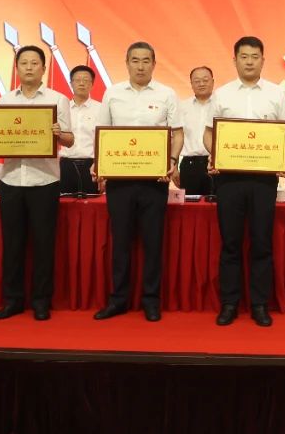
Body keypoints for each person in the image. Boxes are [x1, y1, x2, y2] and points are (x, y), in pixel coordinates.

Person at [204, 36, 285, 327]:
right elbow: (208, 134)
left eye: (255, 56)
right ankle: (229, 303)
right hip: (229, 180)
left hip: (264, 180)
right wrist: (215, 154)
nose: (250, 62)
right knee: (230, 243)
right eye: (244, 56)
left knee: (262, 243)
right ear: (235, 60)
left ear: (263, 60)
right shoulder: (222, 94)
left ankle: (259, 304)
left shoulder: (277, 93)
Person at [0, 45, 73, 321]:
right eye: (24, 63)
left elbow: (70, 140)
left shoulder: (58, 99)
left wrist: (58, 133)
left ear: (43, 68)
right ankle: (13, 300)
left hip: (45, 180)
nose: (29, 67)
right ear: (17, 68)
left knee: (44, 245)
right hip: (11, 179)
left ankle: (41, 301)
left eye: (35, 63)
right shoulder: (4, 101)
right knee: (12, 244)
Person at [92, 42, 183, 323]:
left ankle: (151, 301)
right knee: (120, 242)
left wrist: (172, 160)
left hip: (154, 180)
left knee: (153, 243)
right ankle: (118, 300)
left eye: (146, 61)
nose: (140, 66)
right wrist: (99, 163)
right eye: (135, 60)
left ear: (154, 64)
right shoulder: (112, 93)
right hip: (120, 180)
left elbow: (178, 133)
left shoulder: (167, 94)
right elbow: (102, 133)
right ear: (127, 63)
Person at [60, 65, 100, 196]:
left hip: (91, 166)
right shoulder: (62, 108)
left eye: (86, 80)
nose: (81, 83)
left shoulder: (101, 109)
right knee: (65, 204)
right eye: (77, 80)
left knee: (92, 203)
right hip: (66, 165)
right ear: (71, 83)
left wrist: (99, 165)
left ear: (92, 84)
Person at [177, 66, 216, 196]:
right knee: (190, 204)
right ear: (191, 84)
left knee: (218, 203)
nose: (201, 84)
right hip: (190, 165)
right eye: (197, 81)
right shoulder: (182, 107)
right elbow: (175, 137)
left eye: (205, 80)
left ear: (213, 82)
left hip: (215, 164)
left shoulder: (222, 105)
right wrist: (174, 166)